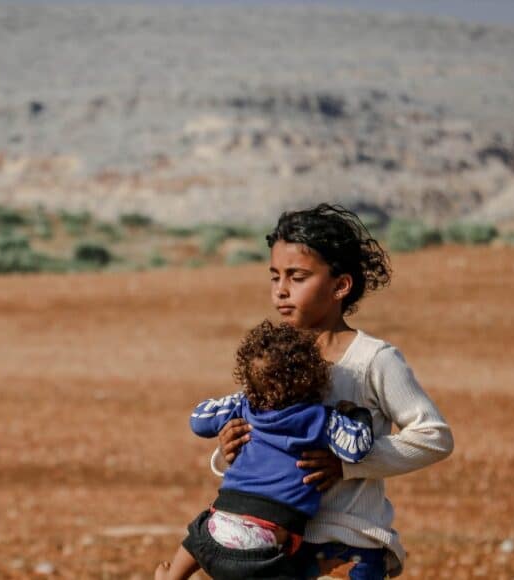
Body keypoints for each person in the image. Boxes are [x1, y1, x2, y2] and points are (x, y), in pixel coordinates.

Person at [214, 204, 454, 579]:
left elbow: (434, 437)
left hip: (349, 547)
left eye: (297, 277)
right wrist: (228, 448)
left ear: (340, 285)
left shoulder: (374, 359)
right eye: (274, 276)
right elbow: (263, 433)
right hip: (274, 544)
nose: (281, 291)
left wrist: (346, 463)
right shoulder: (272, 359)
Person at [155, 320, 375, 580]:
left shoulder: (245, 406)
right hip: (261, 551)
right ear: (313, 376)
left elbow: (199, 420)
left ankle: (173, 576)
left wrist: (240, 399)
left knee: (197, 536)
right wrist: (357, 413)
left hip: (214, 529)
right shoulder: (318, 418)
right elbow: (356, 447)